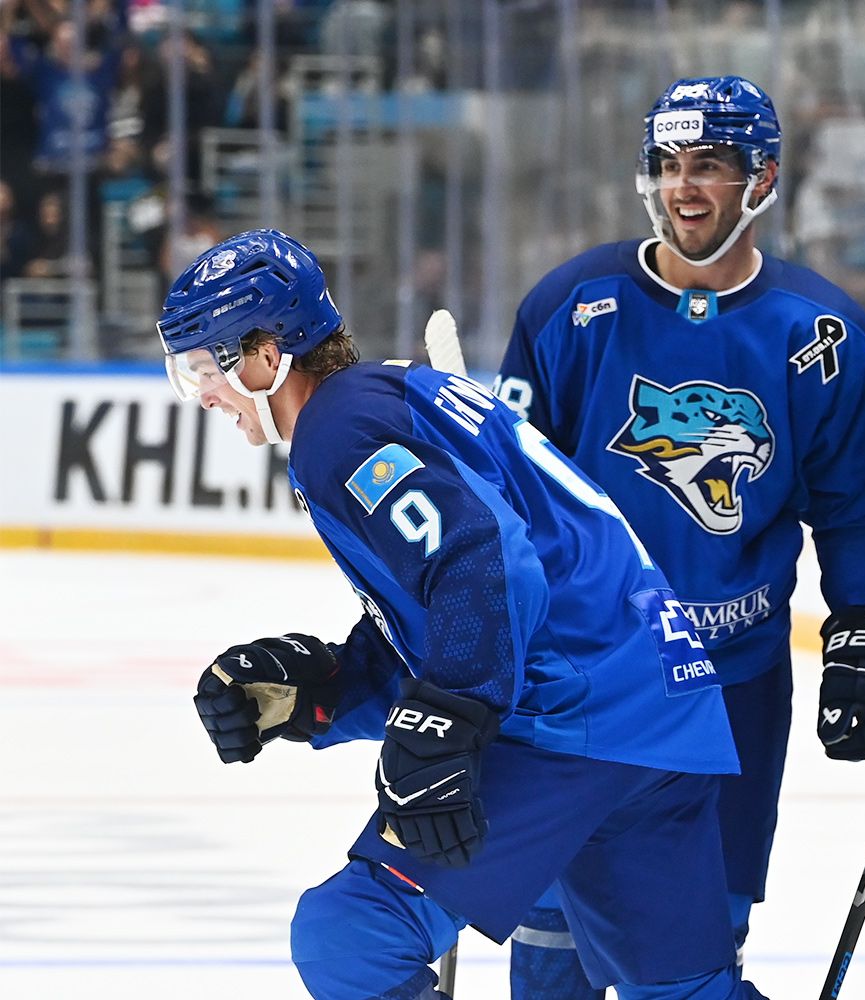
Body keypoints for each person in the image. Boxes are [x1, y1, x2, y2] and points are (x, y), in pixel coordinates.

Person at [158, 228, 768, 1000]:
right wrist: (329, 694)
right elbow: (463, 594)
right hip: (663, 700)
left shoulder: (338, 429)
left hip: (573, 716)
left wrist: (451, 714)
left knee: (352, 935)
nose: (203, 393)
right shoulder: (387, 399)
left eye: (204, 367)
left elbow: (485, 561)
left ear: (265, 355)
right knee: (684, 991)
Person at [493, 76, 865, 999]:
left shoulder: (821, 332)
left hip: (733, 682)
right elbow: (509, 497)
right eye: (668, 165)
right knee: (553, 934)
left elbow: (847, 507)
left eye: (708, 164)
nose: (684, 187)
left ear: (763, 179)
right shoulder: (569, 307)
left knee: (702, 942)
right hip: (584, 676)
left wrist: (857, 630)